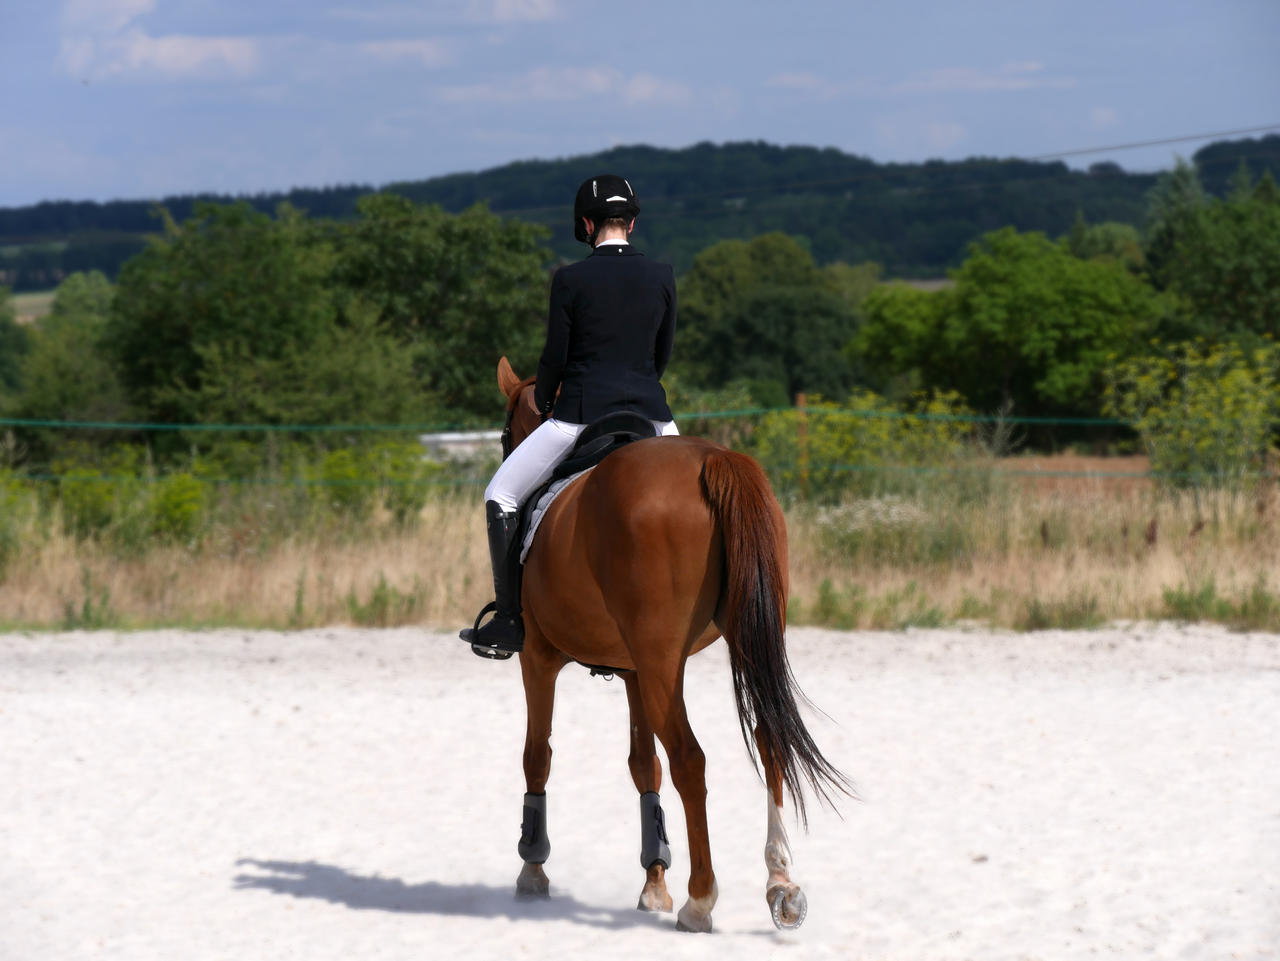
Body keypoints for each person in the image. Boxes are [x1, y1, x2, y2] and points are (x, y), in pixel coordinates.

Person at [461, 174, 679, 659]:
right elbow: (661, 355)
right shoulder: (662, 274)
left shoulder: (570, 279)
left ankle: (510, 619)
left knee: (500, 494)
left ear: (585, 224)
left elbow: (554, 360)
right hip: (654, 418)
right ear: (633, 223)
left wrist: (548, 399)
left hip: (581, 414)